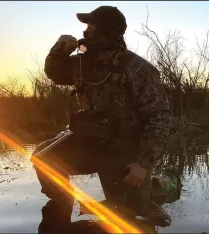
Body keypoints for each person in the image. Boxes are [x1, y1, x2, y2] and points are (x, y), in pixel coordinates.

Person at [30, 5, 179, 232]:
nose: (86, 32)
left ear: (107, 34)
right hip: (90, 143)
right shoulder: (84, 63)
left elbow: (161, 118)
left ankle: (163, 186)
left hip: (124, 153)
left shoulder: (139, 71)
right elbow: (54, 72)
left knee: (131, 218)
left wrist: (142, 164)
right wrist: (59, 49)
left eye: (91, 27)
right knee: (43, 157)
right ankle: (61, 205)